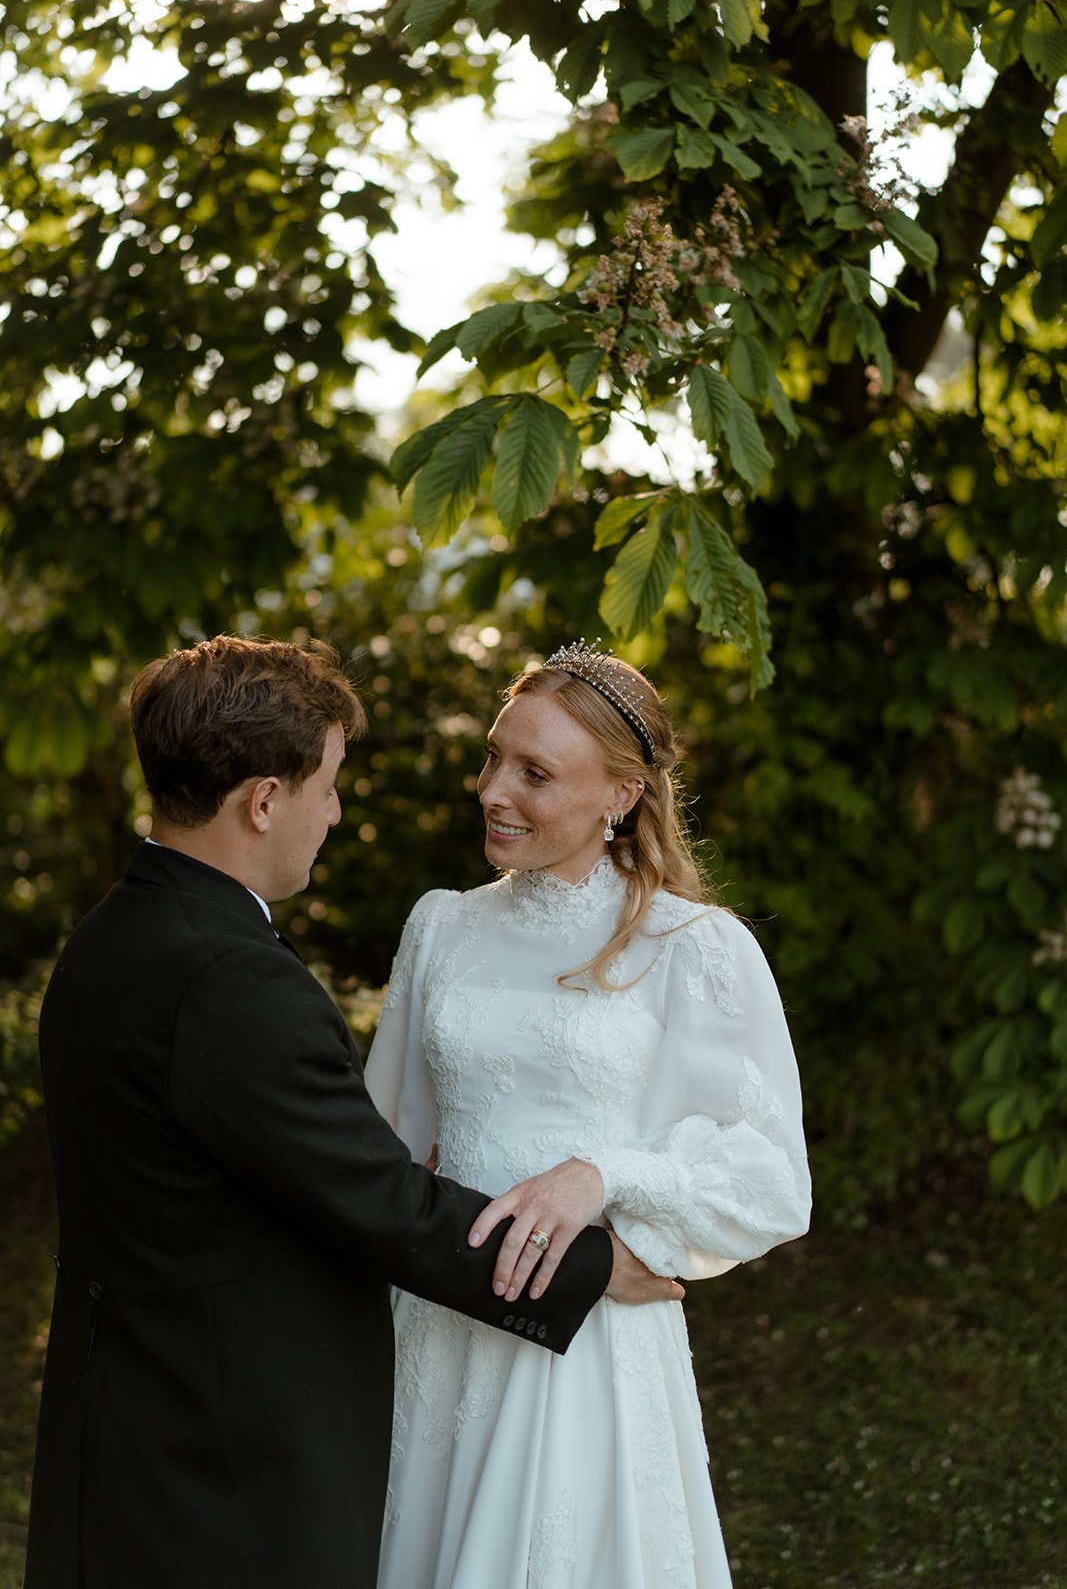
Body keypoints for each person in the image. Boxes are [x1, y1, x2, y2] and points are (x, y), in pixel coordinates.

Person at [25, 634, 673, 1589]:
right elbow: (375, 1196)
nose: (333, 812)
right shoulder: (228, 977)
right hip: (220, 1455)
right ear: (262, 800)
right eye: (327, 784)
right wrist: (591, 1262)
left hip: (129, 1409)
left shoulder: (110, 936)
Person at [365, 637, 812, 1589]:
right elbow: (382, 1149)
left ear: (621, 795)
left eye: (534, 773)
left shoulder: (691, 946)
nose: (493, 790)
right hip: (436, 1323)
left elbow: (772, 1177)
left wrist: (607, 1175)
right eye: (493, 757)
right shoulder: (439, 922)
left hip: (589, 1333)